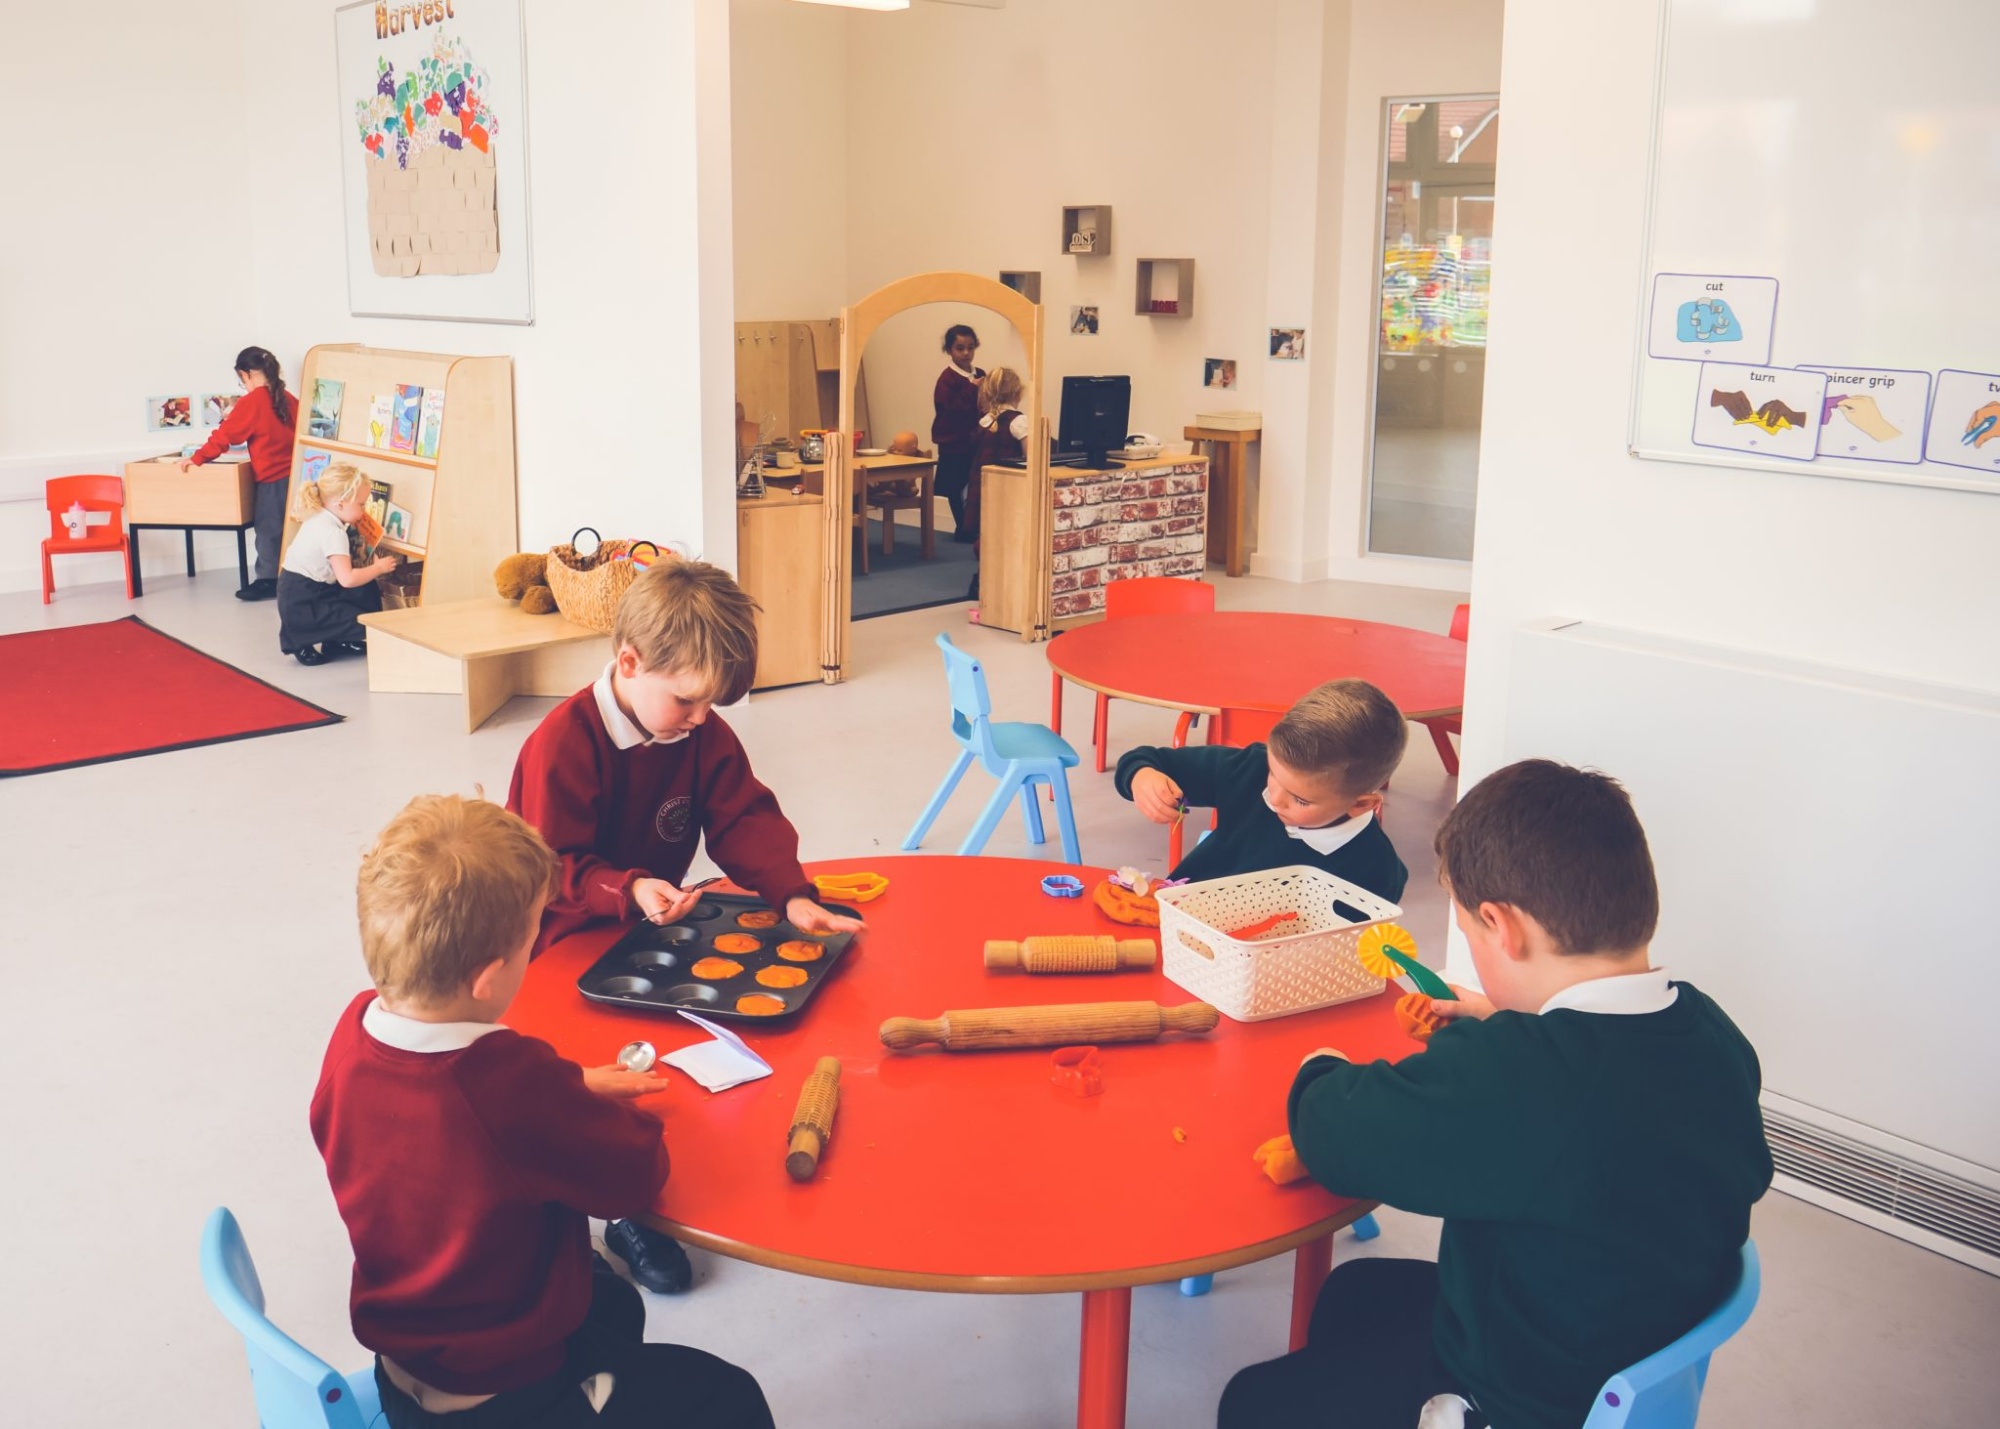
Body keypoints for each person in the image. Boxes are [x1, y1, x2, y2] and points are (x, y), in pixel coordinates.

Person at [1217, 760, 1772, 1429]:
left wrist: (1320, 1062)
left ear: (1500, 925)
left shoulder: (1518, 1075)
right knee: (1358, 1289)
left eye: (1470, 933)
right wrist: (1502, 1022)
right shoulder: (1713, 1032)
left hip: (1520, 1399)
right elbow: (1593, 1100)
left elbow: (1332, 1129)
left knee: (1250, 1400)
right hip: (1618, 1324)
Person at [312, 795, 776, 1429]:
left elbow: (441, 1128)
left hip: (405, 1360)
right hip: (505, 1401)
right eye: (533, 937)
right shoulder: (507, 1081)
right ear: (489, 978)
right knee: (728, 1395)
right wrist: (571, 1102)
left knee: (612, 1302)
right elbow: (633, 1179)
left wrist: (564, 1090)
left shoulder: (354, 1032)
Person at [508, 558, 863, 1294]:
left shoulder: (699, 732)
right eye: (688, 700)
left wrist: (791, 894)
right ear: (629, 663)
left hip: (648, 925)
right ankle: (623, 1207)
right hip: (565, 936)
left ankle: (651, 1165)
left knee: (668, 1055)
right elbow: (548, 864)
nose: (701, 718)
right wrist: (628, 886)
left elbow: (743, 815)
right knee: (606, 1069)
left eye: (710, 703)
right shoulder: (562, 742)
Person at [1116, 678, 1409, 901]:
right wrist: (1142, 778)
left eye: (1300, 800)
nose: (1275, 799)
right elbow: (1146, 760)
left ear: (1361, 804)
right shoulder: (1251, 768)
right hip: (1179, 916)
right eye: (1273, 773)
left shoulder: (1375, 871)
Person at [181, 345, 298, 601]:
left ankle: (268, 581)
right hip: (298, 475)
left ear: (246, 374)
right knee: (291, 530)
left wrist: (197, 458)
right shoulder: (288, 398)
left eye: (241, 380)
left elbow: (225, 436)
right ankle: (292, 579)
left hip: (273, 478)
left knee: (268, 530)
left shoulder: (253, 402)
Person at [277, 463, 397, 666]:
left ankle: (337, 640)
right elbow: (348, 579)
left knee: (365, 589)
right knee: (364, 620)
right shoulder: (333, 533)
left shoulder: (320, 514)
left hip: (299, 587)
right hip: (304, 599)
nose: (364, 511)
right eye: (361, 505)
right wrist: (379, 568)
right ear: (340, 504)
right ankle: (301, 643)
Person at [964, 367, 1029, 604]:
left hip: (984, 490)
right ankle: (1008, 583)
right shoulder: (1019, 422)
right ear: (1018, 393)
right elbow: (1030, 459)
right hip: (1010, 493)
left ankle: (983, 580)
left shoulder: (985, 421)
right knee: (1010, 538)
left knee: (989, 536)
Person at [930, 324, 985, 542]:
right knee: (955, 485)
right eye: (960, 348)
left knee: (973, 484)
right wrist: (972, 388)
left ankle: (972, 524)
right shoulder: (947, 379)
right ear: (949, 350)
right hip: (953, 441)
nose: (966, 353)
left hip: (974, 440)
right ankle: (962, 526)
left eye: (970, 348)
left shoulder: (980, 374)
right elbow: (950, 410)